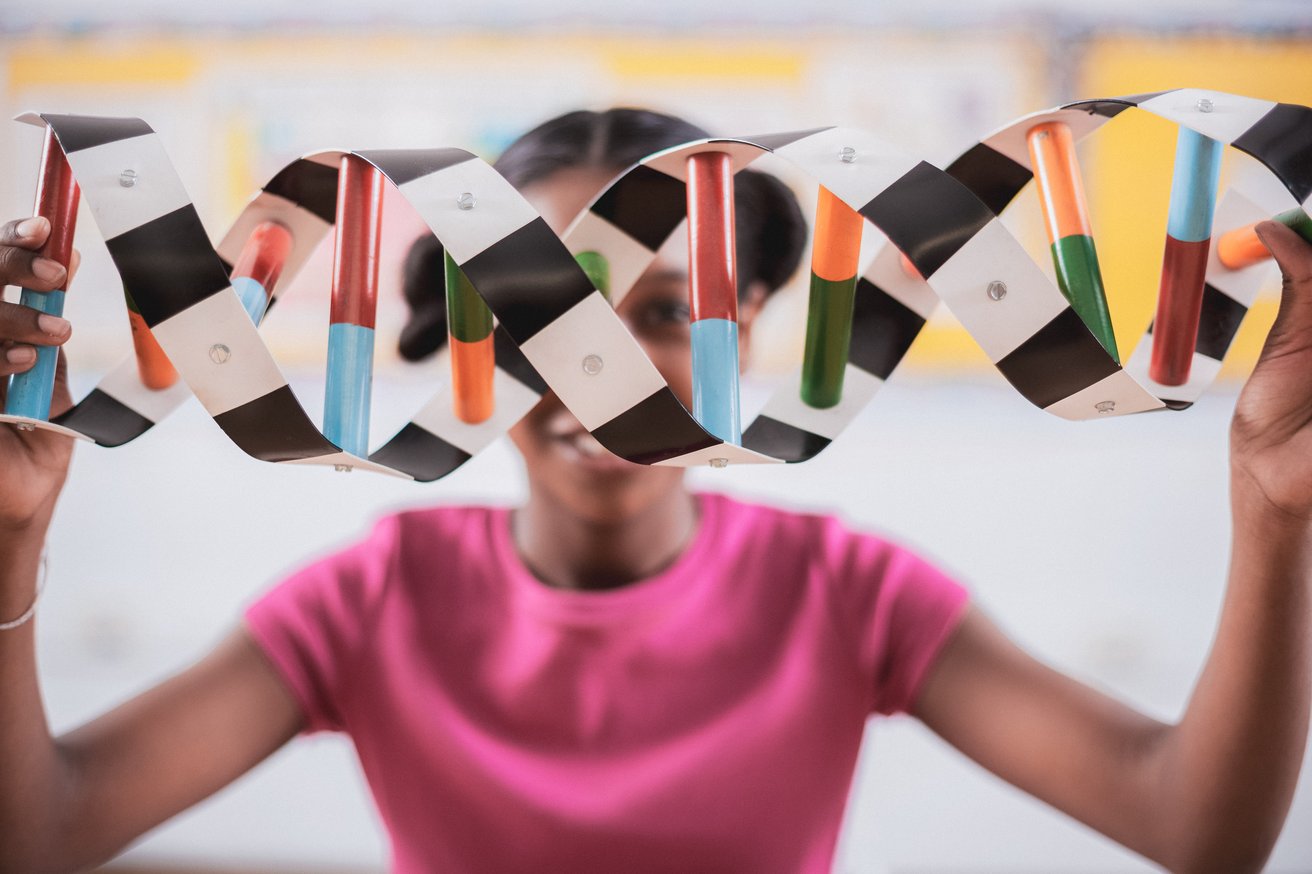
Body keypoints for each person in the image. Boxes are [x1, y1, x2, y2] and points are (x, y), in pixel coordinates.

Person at [0, 107, 1309, 874]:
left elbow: (1197, 826)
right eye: (542, 315)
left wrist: (1275, 509)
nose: (601, 369)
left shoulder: (846, 592)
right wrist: (8, 549)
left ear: (749, 333)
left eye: (669, 312)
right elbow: (40, 831)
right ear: (465, 343)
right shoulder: (374, 597)